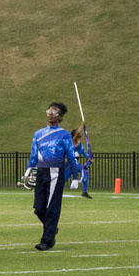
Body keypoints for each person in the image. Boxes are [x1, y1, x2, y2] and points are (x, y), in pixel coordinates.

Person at [28, 102, 82, 251]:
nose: (50, 114)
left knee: (52, 207)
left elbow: (71, 156)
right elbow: (34, 155)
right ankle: (52, 229)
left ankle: (46, 240)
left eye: (55, 112)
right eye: (49, 111)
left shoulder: (64, 134)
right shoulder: (38, 134)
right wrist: (28, 170)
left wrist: (75, 177)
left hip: (55, 172)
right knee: (38, 208)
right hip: (41, 172)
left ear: (60, 117)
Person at [70, 124, 93, 199]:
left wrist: (89, 158)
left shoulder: (80, 144)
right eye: (77, 132)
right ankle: (81, 180)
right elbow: (76, 135)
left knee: (86, 172)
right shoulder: (73, 141)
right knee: (83, 170)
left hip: (76, 163)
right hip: (72, 162)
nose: (79, 133)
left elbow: (84, 152)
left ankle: (84, 191)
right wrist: (82, 125)